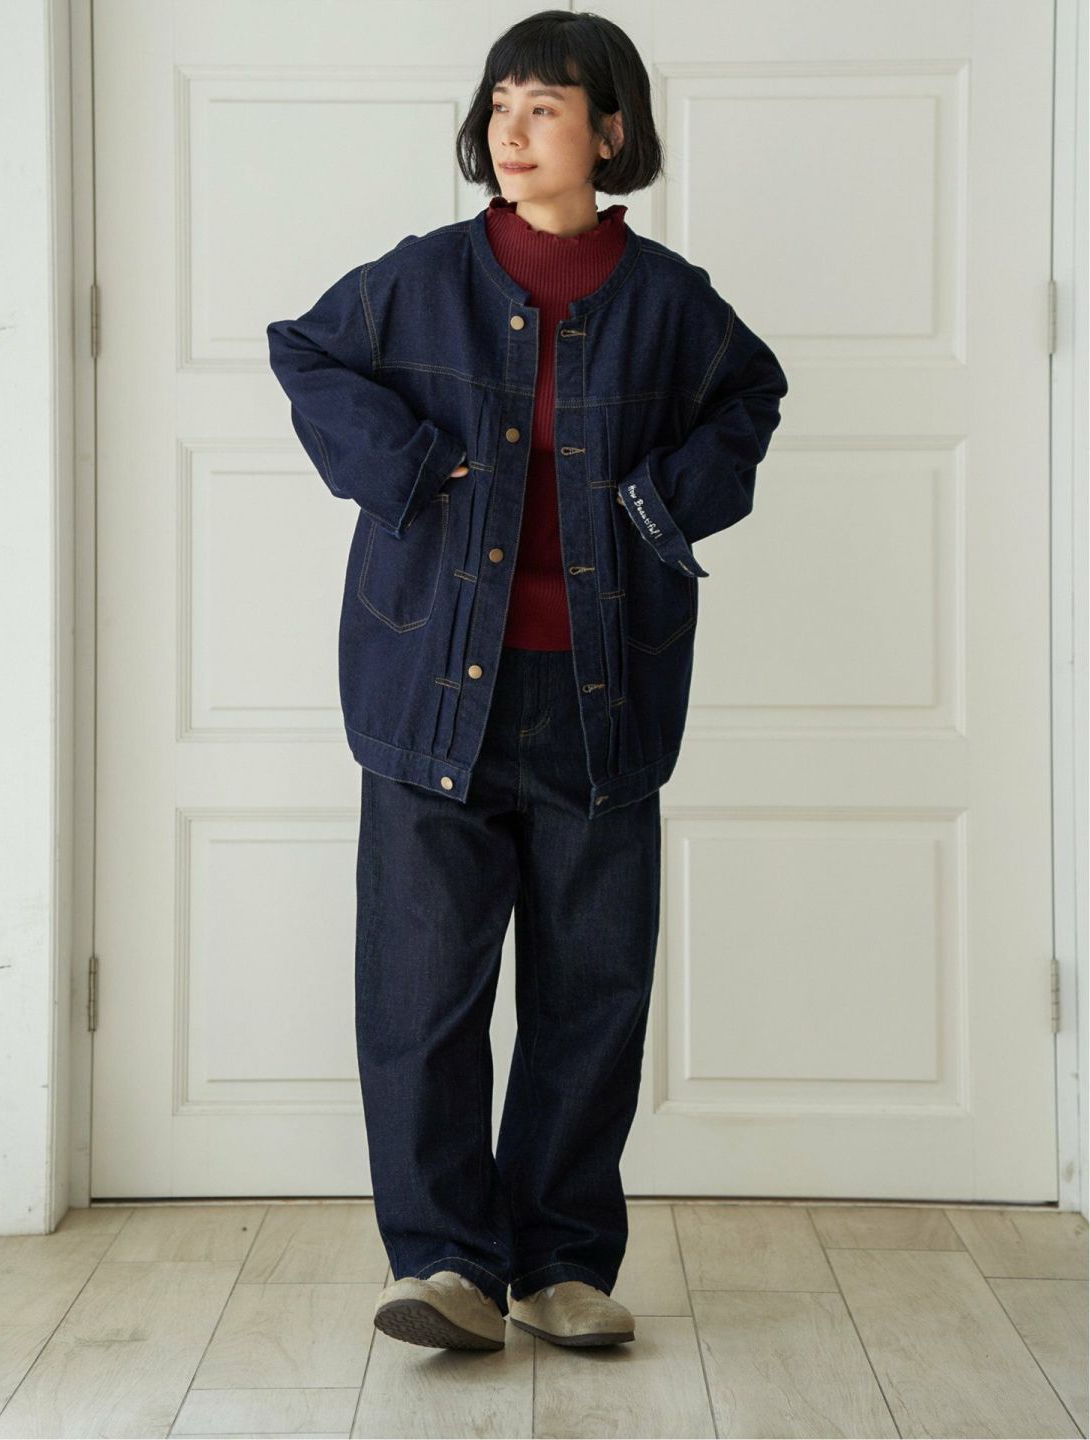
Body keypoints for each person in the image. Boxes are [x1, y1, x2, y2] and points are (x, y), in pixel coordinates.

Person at [266, 8, 787, 1355]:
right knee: (423, 996)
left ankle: (560, 1266)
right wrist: (403, 465)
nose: (512, 129)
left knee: (591, 996)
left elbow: (753, 395)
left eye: (544, 105)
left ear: (610, 131)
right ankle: (445, 1263)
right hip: (432, 693)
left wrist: (667, 505)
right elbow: (303, 350)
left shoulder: (669, 303)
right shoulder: (421, 281)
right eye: (499, 103)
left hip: (604, 701)